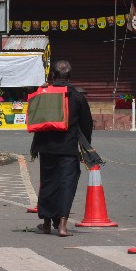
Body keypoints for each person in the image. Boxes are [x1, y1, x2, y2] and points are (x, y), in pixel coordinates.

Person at [31, 60, 93, 238]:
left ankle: (46, 223)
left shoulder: (44, 93)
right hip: (68, 148)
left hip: (46, 148)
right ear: (70, 76)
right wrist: (84, 148)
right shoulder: (76, 96)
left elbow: (35, 117)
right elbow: (86, 125)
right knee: (66, 185)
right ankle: (63, 226)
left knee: (48, 183)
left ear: (53, 75)